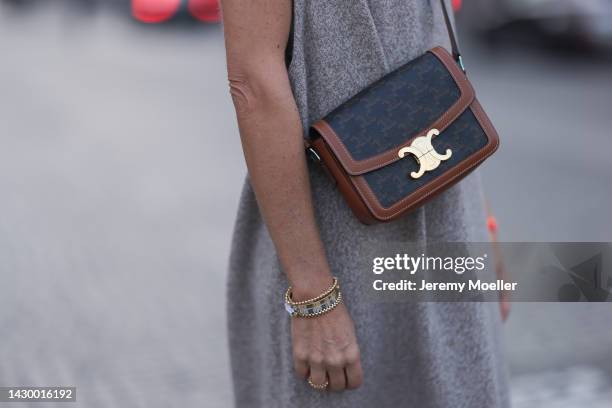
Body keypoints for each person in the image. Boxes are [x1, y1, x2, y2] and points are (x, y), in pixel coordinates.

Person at [221, 0, 510, 406]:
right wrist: (313, 296)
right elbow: (255, 86)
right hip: (337, 242)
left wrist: (486, 222)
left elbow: (440, 40)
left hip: (452, 217)